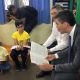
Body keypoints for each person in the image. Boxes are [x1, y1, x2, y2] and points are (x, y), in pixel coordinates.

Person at [38, 10, 80, 80]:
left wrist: (52, 67)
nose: (56, 27)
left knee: (58, 76)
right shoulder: (74, 30)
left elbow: (75, 66)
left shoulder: (79, 38)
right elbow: (71, 48)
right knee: (55, 60)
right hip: (75, 59)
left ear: (65, 24)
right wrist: (54, 55)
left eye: (57, 24)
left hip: (78, 68)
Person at [36, 5, 69, 78]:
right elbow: (53, 36)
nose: (53, 16)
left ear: (61, 12)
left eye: (55, 13)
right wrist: (44, 46)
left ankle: (51, 69)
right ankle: (45, 70)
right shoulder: (55, 22)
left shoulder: (66, 23)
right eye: (51, 13)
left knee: (49, 51)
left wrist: (50, 50)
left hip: (66, 47)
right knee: (43, 50)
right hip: (59, 43)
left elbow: (65, 44)